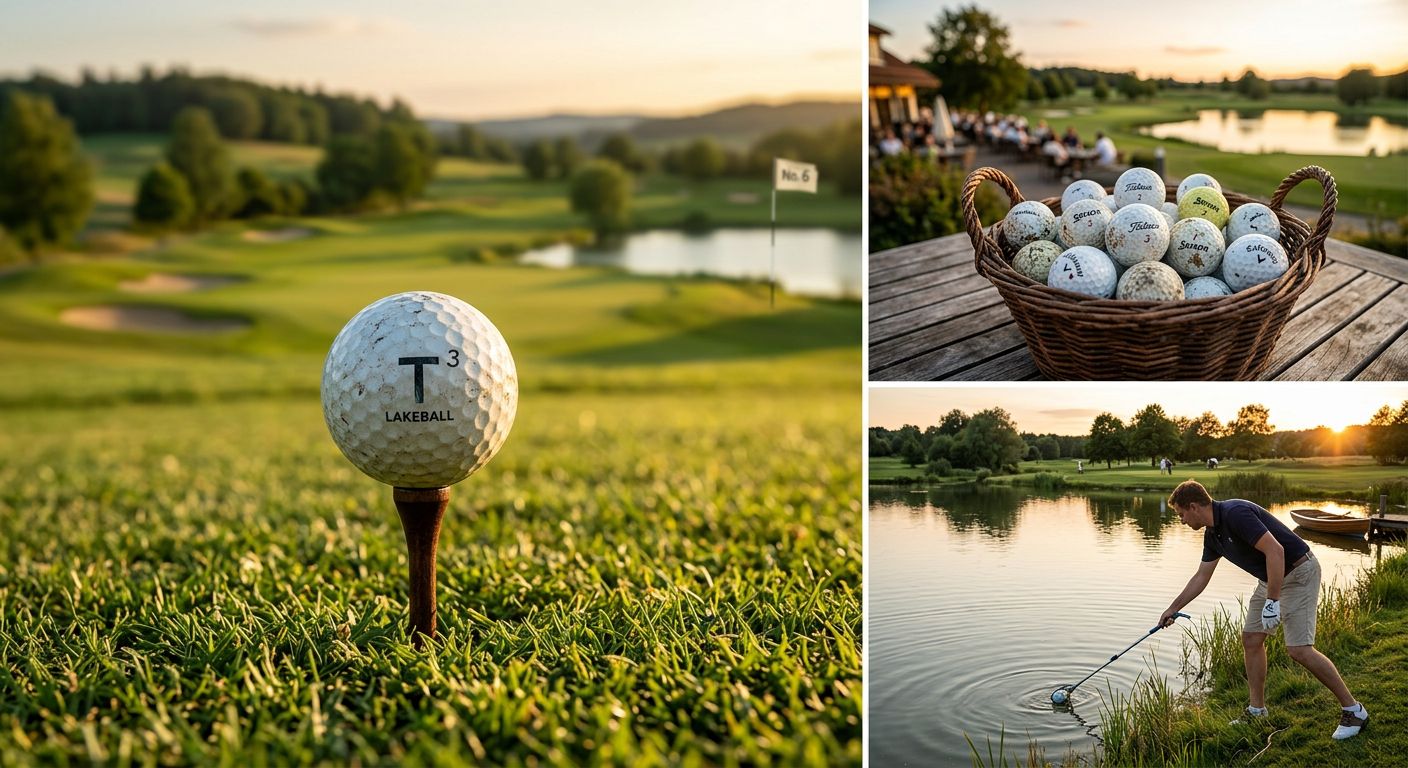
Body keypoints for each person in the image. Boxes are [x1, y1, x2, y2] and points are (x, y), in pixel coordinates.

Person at [1159, 481, 1368, 740]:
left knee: (1299, 650)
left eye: (1181, 514)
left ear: (1193, 506)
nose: (1181, 520)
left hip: (1299, 573)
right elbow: (1202, 576)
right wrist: (1173, 608)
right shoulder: (1212, 535)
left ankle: (1354, 710)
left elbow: (1276, 551)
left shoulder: (1236, 513)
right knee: (1251, 639)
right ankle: (1257, 710)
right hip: (1271, 579)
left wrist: (1273, 600)